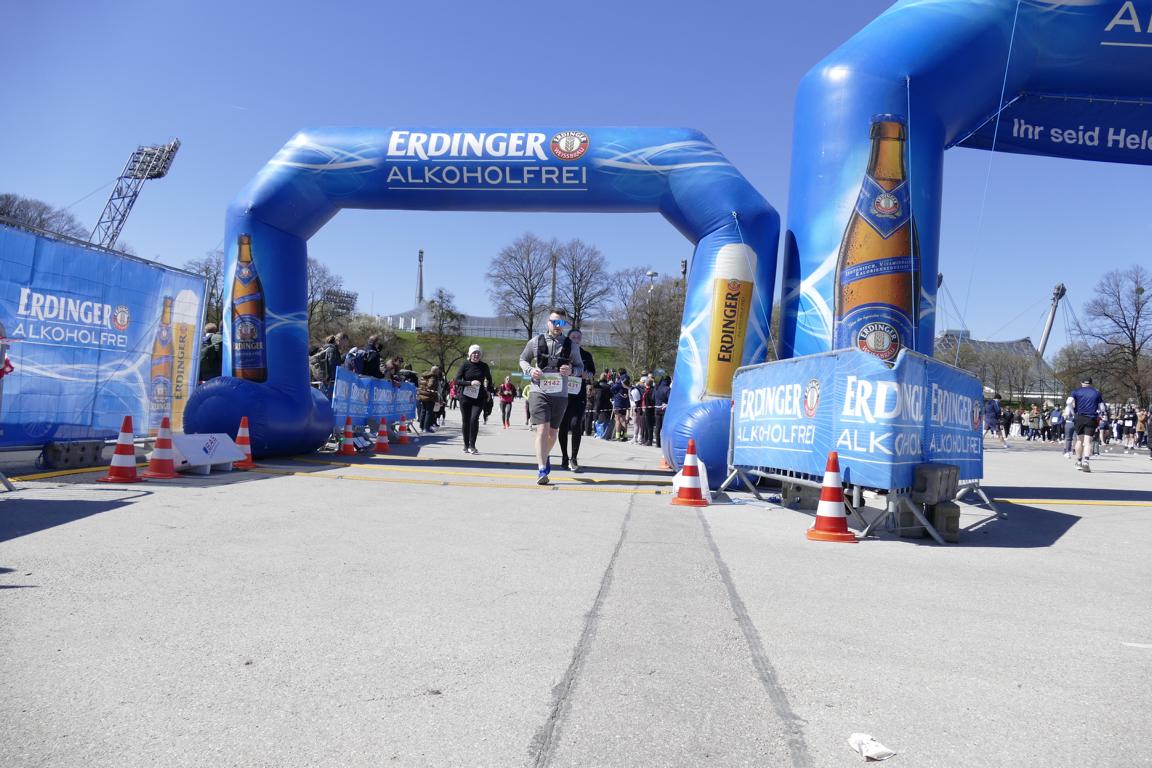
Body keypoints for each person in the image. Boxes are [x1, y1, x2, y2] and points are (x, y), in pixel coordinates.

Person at [519, 308, 580, 485]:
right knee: (542, 430)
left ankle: (544, 456)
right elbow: (523, 359)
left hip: (560, 394)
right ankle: (541, 469)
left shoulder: (571, 345)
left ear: (564, 325)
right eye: (554, 322)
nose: (557, 325)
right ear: (548, 322)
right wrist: (530, 370)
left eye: (560, 322)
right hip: (539, 391)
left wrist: (571, 370)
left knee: (553, 434)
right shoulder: (535, 341)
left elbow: (580, 367)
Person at [558, 328, 595, 472]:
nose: (576, 339)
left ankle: (573, 458)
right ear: (568, 338)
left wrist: (587, 375)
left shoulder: (586, 355)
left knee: (575, 424)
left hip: (578, 395)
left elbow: (592, 372)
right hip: (563, 394)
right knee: (563, 425)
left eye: (579, 337)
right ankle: (564, 457)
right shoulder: (562, 352)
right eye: (573, 337)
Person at [455, 344, 493, 454]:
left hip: (479, 397)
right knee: (466, 421)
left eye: (478, 353)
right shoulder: (465, 365)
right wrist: (470, 383)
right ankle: (466, 445)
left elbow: (489, 379)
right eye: (474, 353)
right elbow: (457, 380)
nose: (476, 355)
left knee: (474, 419)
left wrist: (488, 390)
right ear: (470, 354)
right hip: (465, 397)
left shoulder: (484, 366)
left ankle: (472, 445)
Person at [1070, 377, 1105, 472]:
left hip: (1079, 417)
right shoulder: (1096, 393)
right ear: (1091, 383)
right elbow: (1102, 408)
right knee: (1088, 441)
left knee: (1079, 440)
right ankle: (1086, 461)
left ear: (1081, 383)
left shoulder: (1076, 391)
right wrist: (1100, 413)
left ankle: (1078, 462)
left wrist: (1073, 412)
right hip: (1091, 418)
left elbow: (1069, 402)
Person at [417, 365, 443, 433]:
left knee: (423, 411)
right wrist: (434, 391)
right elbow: (430, 386)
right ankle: (426, 427)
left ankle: (422, 426)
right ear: (435, 371)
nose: (438, 372)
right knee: (429, 412)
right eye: (438, 371)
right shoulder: (433, 377)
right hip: (429, 396)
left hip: (423, 395)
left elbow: (421, 384)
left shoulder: (424, 376)